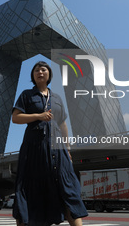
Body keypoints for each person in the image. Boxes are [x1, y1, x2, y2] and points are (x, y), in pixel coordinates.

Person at [12, 61, 88, 226]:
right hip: (34, 148)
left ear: (49, 74)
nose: (40, 72)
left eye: (43, 69)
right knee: (30, 189)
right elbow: (15, 118)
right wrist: (38, 116)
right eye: (36, 70)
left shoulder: (57, 98)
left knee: (68, 190)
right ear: (33, 75)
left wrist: (67, 149)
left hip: (58, 150)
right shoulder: (26, 95)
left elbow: (63, 125)